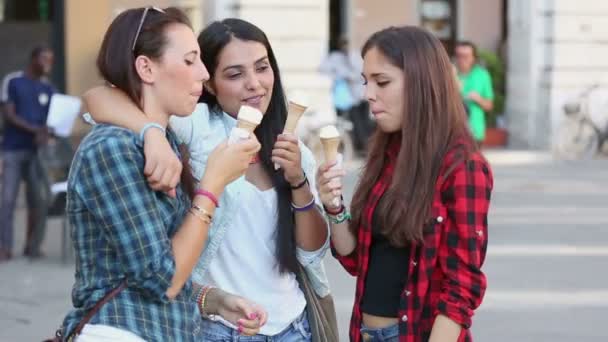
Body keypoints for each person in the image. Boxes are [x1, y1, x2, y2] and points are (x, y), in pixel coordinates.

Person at [83, 17, 331, 341]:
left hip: (295, 327)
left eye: (262, 67)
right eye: (235, 74)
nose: (254, 83)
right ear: (210, 84)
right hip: (220, 328)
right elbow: (96, 100)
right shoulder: (198, 126)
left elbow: (312, 252)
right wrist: (153, 133)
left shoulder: (293, 148)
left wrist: (298, 182)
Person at [58, 7, 266, 341]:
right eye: (190, 60)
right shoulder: (112, 149)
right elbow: (162, 280)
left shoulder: (165, 141)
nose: (202, 73)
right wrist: (211, 184)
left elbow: (156, 262)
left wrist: (211, 299)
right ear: (146, 67)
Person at [317, 26, 494, 342]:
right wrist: (333, 205)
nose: (369, 94)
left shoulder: (462, 165)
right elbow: (357, 259)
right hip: (365, 333)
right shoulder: (387, 152)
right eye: (366, 82)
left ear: (421, 82)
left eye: (381, 82)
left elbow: (461, 288)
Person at [0, 46, 55, 261]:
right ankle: (5, 248)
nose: (48, 63)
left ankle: (32, 246)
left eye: (51, 59)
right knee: (7, 201)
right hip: (12, 150)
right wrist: (36, 130)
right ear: (33, 59)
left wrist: (49, 132)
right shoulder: (13, 81)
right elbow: (9, 115)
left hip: (37, 154)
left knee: (39, 201)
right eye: (44, 58)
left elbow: (54, 118)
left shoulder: (48, 88)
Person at [319, 36, 374, 156]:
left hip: (360, 96)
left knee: (364, 123)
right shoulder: (335, 58)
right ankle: (360, 148)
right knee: (355, 124)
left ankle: (367, 148)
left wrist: (348, 74)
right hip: (350, 99)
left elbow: (361, 73)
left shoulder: (354, 56)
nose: (344, 47)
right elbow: (323, 69)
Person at [454, 40, 494, 144]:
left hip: (475, 132)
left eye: (466, 56)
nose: (461, 59)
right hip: (453, 132)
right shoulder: (450, 74)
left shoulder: (482, 75)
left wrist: (479, 99)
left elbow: (489, 106)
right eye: (459, 55)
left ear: (474, 57)